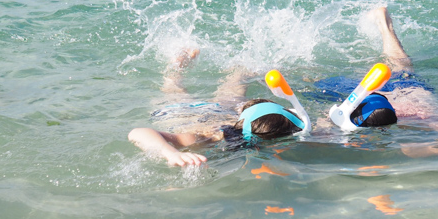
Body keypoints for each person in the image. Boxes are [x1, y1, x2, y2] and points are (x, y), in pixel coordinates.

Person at [319, 6, 438, 157]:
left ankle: (384, 25)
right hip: (406, 93)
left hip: (395, 93)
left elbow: (413, 151)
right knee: (400, 67)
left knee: (401, 67)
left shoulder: (423, 118)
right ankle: (384, 25)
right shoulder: (426, 118)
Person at [128, 50, 305, 167]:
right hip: (184, 114)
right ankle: (176, 68)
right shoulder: (206, 138)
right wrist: (170, 153)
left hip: (223, 113)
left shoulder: (256, 124)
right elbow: (137, 133)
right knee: (174, 88)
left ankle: (241, 70)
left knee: (235, 88)